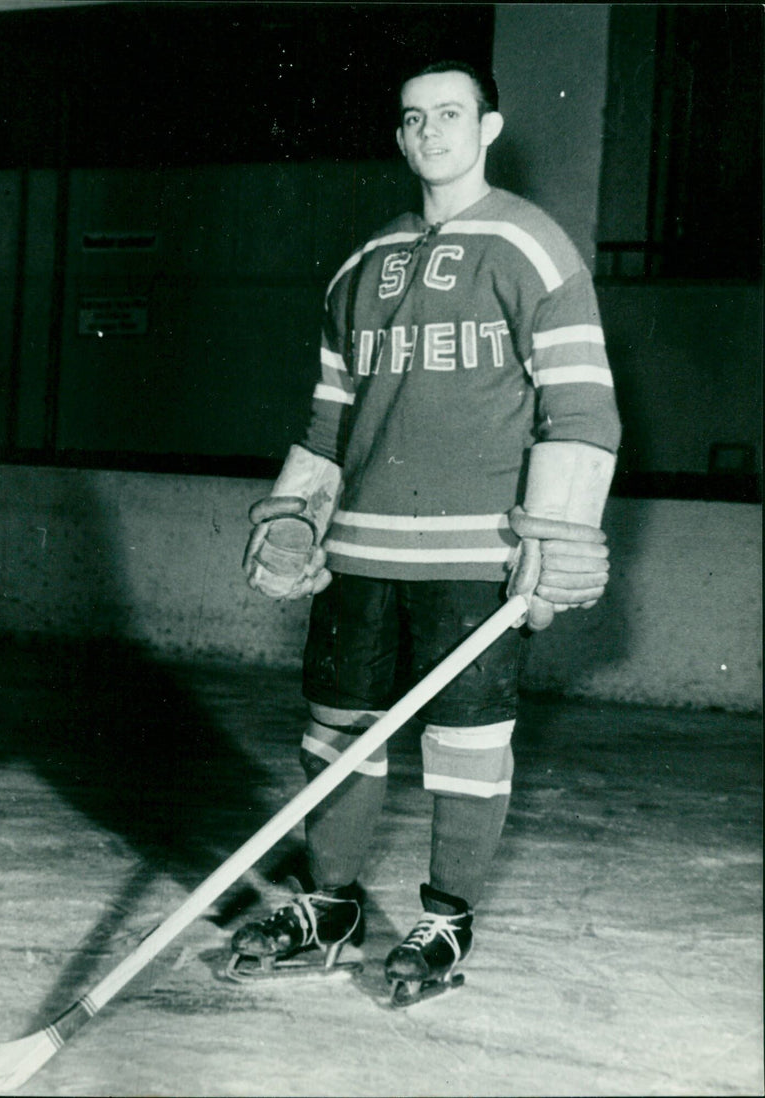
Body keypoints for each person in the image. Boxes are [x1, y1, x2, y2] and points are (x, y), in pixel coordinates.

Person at [232, 59, 622, 1006]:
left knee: (467, 744)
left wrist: (558, 531)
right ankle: (331, 903)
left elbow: (581, 410)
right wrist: (294, 513)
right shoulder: (362, 265)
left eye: (452, 114)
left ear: (489, 126)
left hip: (474, 556)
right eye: (414, 118)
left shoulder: (533, 247)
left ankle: (447, 915)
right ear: (400, 136)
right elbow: (330, 420)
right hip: (361, 555)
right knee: (336, 737)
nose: (431, 132)